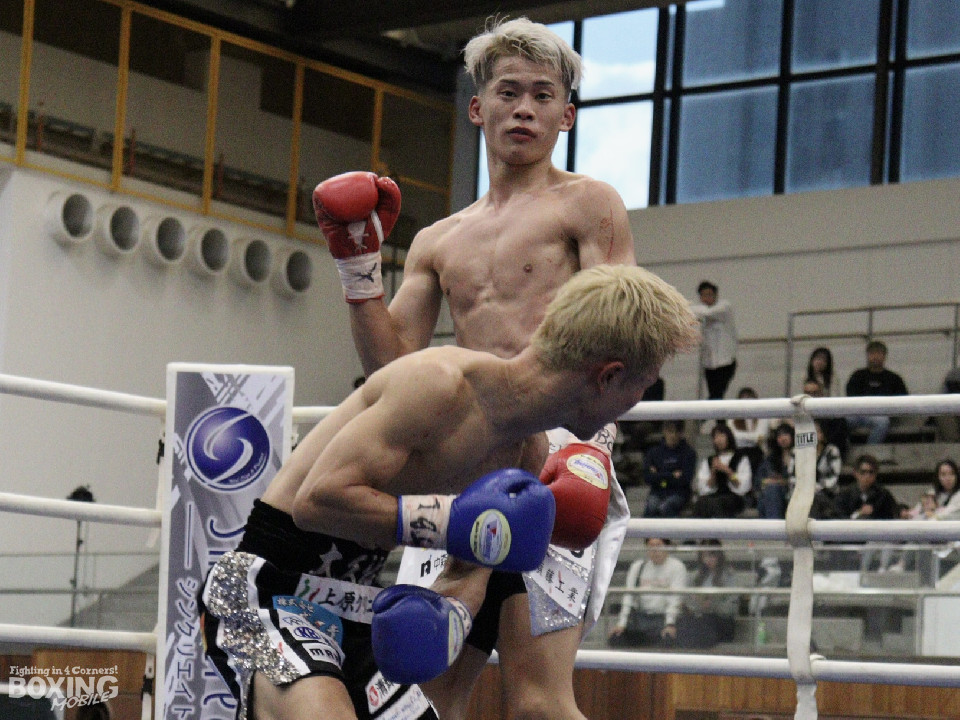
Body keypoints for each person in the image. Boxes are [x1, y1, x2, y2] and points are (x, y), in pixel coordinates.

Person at [312, 16, 641, 720]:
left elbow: (622, 327)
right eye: (509, 92)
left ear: (566, 116)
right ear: (477, 107)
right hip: (458, 466)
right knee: (423, 696)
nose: (524, 109)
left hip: (555, 457)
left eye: (543, 96)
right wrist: (358, 269)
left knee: (538, 702)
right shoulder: (438, 239)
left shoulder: (590, 204)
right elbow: (391, 373)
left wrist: (591, 446)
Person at [197, 265, 700, 720]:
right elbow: (316, 501)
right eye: (643, 384)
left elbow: (465, 572)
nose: (637, 402)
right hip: (267, 590)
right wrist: (452, 520)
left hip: (357, 607)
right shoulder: (438, 384)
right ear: (609, 376)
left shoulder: (525, 454)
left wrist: (450, 616)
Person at [608, 538, 688, 647]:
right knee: (616, 639)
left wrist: (670, 624)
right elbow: (629, 596)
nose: (654, 550)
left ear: (667, 546)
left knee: (667, 641)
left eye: (658, 545)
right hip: (640, 619)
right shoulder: (638, 566)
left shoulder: (677, 567)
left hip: (663, 619)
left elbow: (675, 600)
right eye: (651, 546)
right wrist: (621, 624)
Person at [832, 454, 900, 573]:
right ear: (855, 473)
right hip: (849, 538)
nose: (867, 476)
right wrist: (858, 514)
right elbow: (837, 518)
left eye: (871, 472)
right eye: (863, 472)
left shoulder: (883, 495)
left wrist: (872, 515)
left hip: (875, 538)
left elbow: (891, 519)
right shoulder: (844, 494)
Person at [676, 540, 738, 649]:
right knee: (683, 623)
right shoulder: (695, 575)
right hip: (698, 618)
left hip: (721, 620)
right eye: (704, 556)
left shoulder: (729, 575)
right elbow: (687, 599)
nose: (708, 560)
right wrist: (697, 605)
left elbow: (731, 607)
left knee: (704, 625)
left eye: (711, 555)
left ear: (719, 556)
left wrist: (713, 605)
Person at [845, 340, 909, 444]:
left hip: (883, 416)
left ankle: (869, 451)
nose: (875, 356)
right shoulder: (857, 375)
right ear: (867, 355)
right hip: (859, 414)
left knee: (882, 422)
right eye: (872, 353)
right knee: (839, 421)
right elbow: (850, 396)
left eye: (879, 353)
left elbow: (903, 399)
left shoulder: (894, 378)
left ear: (884, 356)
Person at [691, 423, 753, 518]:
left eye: (721, 436)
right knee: (701, 503)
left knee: (719, 503)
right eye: (715, 437)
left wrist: (727, 471)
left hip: (734, 497)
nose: (719, 439)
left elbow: (742, 485)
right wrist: (713, 471)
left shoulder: (741, 458)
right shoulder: (710, 460)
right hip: (715, 495)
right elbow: (705, 487)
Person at [691, 280, 738, 400]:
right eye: (703, 295)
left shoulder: (724, 307)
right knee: (715, 395)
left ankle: (706, 411)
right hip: (709, 363)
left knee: (716, 395)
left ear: (716, 295)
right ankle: (712, 411)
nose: (706, 298)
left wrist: (692, 310)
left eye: (709, 294)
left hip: (725, 362)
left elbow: (707, 312)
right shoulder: (701, 312)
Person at [642, 420, 697, 518]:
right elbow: (647, 478)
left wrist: (659, 474)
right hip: (658, 491)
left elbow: (685, 479)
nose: (673, 435)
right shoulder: (653, 453)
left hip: (679, 493)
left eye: (676, 432)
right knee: (651, 506)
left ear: (681, 433)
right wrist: (671, 475)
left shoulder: (689, 453)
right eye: (670, 431)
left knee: (665, 507)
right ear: (664, 431)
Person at [756, 423, 796, 520]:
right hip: (773, 493)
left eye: (786, 434)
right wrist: (767, 481)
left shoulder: (799, 455)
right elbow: (758, 480)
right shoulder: (771, 459)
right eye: (779, 436)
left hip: (793, 493)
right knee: (771, 491)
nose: (783, 438)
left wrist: (783, 482)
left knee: (773, 490)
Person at [803, 378, 849, 460]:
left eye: (814, 393)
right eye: (807, 393)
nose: (811, 397)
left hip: (827, 459)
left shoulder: (836, 419)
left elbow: (838, 446)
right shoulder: (797, 418)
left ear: (821, 394)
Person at [728, 386, 770, 474]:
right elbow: (733, 437)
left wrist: (741, 436)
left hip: (758, 453)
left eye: (749, 400)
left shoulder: (763, 417)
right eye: (744, 400)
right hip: (738, 452)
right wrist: (753, 437)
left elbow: (760, 438)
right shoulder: (732, 419)